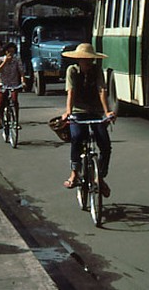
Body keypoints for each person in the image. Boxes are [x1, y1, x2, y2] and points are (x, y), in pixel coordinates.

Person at [60, 43, 115, 198]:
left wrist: (107, 112)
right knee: (77, 138)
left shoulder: (97, 71)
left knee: (105, 145)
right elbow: (71, 92)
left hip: (96, 112)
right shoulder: (72, 71)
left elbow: (101, 89)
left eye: (89, 60)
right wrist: (68, 112)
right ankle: (74, 173)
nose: (87, 63)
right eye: (84, 60)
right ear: (79, 60)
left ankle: (100, 178)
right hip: (78, 112)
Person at [0, 42, 25, 130]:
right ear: (6, 52)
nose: (11, 54)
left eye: (13, 52)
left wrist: (23, 81)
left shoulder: (17, 60)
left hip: (13, 84)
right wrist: (5, 62)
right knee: (0, 102)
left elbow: (21, 72)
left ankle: (16, 121)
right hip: (2, 84)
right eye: (9, 52)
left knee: (15, 101)